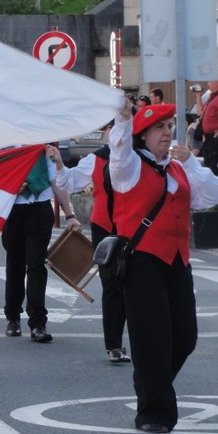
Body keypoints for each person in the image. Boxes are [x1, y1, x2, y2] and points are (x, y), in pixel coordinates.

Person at [109, 103, 218, 433]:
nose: (167, 133)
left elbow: (211, 197)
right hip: (142, 260)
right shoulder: (129, 167)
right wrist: (123, 120)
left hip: (177, 260)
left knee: (185, 337)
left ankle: (147, 379)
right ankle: (154, 413)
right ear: (142, 136)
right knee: (151, 338)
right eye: (158, 127)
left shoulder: (178, 168)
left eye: (169, 126)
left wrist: (192, 164)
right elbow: (119, 150)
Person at [47, 121, 132, 363]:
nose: (116, 133)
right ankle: (114, 345)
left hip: (136, 229)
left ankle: (143, 341)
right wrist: (60, 164)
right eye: (112, 128)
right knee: (112, 286)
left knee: (138, 286)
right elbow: (69, 182)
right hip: (105, 228)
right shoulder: (97, 159)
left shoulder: (140, 158)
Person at [2, 147, 81, 342]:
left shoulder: (45, 149)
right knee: (15, 265)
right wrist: (11, 186)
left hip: (40, 208)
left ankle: (38, 323)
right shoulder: (3, 144)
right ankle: (13, 317)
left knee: (36, 265)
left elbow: (56, 181)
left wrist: (69, 215)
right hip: (13, 209)